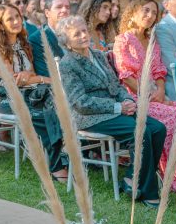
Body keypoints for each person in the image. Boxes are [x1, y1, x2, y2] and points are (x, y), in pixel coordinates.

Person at [58, 16, 166, 206]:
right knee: (138, 132)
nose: (84, 35)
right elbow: (80, 102)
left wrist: (126, 100)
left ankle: (133, 178)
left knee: (158, 128)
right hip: (90, 116)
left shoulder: (98, 55)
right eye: (77, 34)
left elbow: (116, 86)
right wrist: (118, 107)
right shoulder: (68, 64)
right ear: (66, 42)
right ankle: (148, 191)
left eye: (84, 30)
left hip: (116, 108)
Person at [113, 0, 176, 193]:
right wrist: (147, 94)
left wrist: (159, 91)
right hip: (135, 97)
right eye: (146, 10)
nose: (150, 16)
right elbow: (125, 76)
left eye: (154, 12)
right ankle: (175, 175)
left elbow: (160, 69)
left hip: (155, 96)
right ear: (133, 13)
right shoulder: (123, 39)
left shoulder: (152, 39)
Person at [0, 5, 67, 180]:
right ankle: (56, 166)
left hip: (29, 93)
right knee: (39, 115)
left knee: (54, 108)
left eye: (18, 16)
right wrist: (43, 79)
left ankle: (63, 157)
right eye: (10, 19)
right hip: (4, 96)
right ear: (0, 24)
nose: (16, 21)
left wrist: (32, 77)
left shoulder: (24, 43)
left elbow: (28, 76)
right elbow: (13, 80)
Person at [28, 0, 70, 77]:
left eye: (68, 7)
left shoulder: (75, 34)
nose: (65, 10)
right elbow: (46, 73)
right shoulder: (37, 39)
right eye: (59, 7)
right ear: (47, 13)